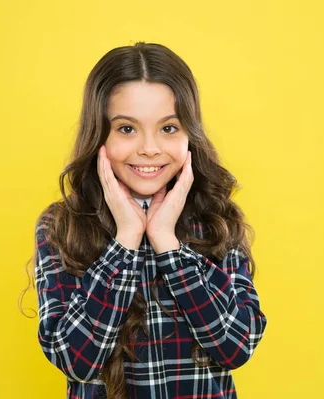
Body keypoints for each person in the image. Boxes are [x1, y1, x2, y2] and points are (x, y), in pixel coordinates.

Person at [32, 42, 267, 399]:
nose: (150, 148)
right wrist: (126, 239)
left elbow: (236, 347)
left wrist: (167, 243)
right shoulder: (61, 225)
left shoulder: (217, 218)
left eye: (168, 129)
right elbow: (74, 358)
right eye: (127, 129)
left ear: (190, 134)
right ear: (100, 135)